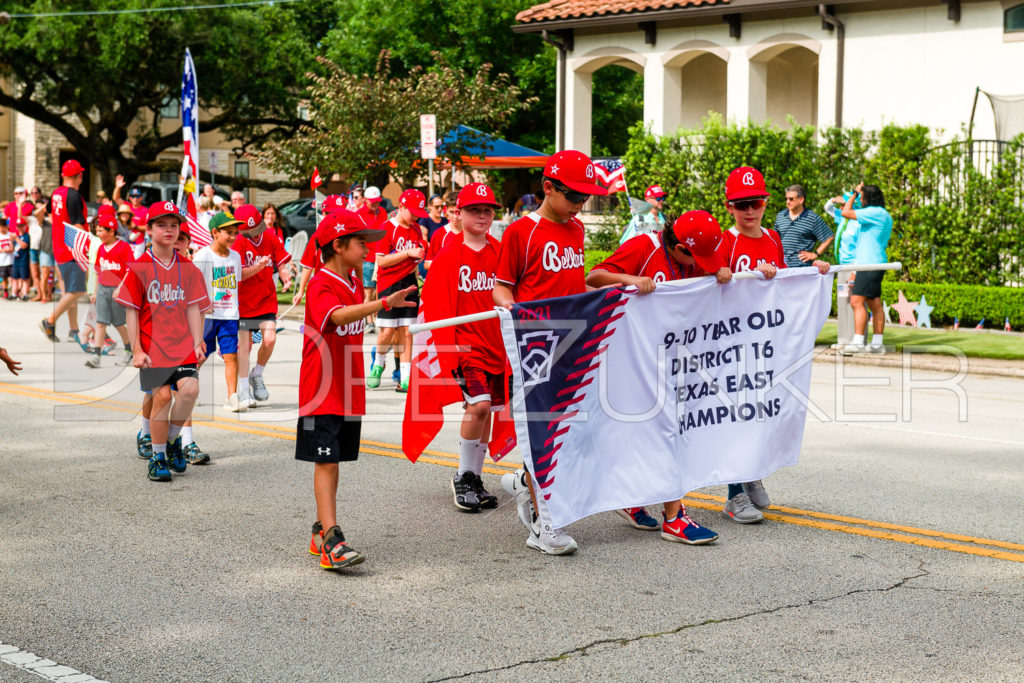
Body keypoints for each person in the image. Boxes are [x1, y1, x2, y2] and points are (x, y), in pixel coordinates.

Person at [587, 210, 731, 542]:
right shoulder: (643, 247)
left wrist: (721, 273)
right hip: (633, 355)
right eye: (696, 257)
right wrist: (629, 280)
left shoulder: (696, 253)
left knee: (654, 432)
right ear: (678, 245)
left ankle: (631, 498)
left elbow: (713, 280)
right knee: (662, 431)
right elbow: (593, 277)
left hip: (676, 358)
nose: (701, 264)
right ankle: (674, 518)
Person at [493, 149, 608, 555]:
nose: (580, 205)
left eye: (586, 198)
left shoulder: (575, 231)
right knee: (542, 433)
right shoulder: (520, 232)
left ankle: (525, 484)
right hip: (534, 352)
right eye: (575, 196)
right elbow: (502, 287)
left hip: (572, 346)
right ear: (548, 187)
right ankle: (545, 525)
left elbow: (574, 288)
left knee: (571, 433)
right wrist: (510, 309)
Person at [298, 210, 415, 570]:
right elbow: (336, 317)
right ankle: (333, 538)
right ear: (338, 245)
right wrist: (384, 304)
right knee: (326, 460)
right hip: (322, 389)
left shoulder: (350, 282)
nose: (367, 247)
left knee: (335, 460)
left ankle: (321, 529)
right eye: (360, 241)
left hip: (347, 388)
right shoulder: (323, 282)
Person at [715, 166, 830, 525]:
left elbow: (785, 284)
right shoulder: (725, 240)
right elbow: (707, 289)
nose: (750, 210)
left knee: (759, 413)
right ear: (729, 206)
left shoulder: (773, 238)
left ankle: (752, 472)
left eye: (757, 202)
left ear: (767, 203)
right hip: (730, 344)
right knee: (735, 416)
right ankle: (734, 495)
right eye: (742, 204)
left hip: (763, 344)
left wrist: (817, 270)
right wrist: (722, 275)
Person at [418, 183, 505, 511]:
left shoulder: (500, 251)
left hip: (497, 345)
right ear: (459, 213)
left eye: (488, 210)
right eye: (474, 210)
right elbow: (434, 305)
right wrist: (446, 352)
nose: (482, 216)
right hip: (466, 348)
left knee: (489, 414)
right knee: (479, 406)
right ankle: (463, 476)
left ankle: (476, 480)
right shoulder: (449, 255)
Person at [116, 202, 211, 482]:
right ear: (148, 230)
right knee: (162, 396)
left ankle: (171, 442)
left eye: (174, 225)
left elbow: (195, 307)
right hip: (152, 346)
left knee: (190, 390)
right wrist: (136, 348)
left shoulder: (188, 267)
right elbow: (131, 310)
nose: (169, 230)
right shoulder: (140, 267)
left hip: (182, 346)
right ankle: (157, 458)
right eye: (161, 225)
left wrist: (197, 342)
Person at [193, 212, 268, 412]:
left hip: (229, 315)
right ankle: (188, 386)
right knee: (201, 355)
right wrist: (201, 304)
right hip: (207, 316)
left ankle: (231, 397)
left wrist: (258, 268)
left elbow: (239, 275)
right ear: (215, 232)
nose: (233, 237)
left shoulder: (234, 256)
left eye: (235, 233)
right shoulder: (203, 256)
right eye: (229, 233)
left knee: (231, 356)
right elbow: (192, 284)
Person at [231, 204, 292, 408]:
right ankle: (242, 389)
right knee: (245, 346)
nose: (255, 235)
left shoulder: (270, 237)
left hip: (266, 298)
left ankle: (256, 375)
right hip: (244, 302)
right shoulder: (237, 242)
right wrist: (257, 267)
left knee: (270, 338)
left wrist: (286, 277)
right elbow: (237, 274)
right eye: (250, 232)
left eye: (257, 229)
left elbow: (281, 263)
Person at [367, 189, 428, 393]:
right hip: (388, 285)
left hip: (409, 283)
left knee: (406, 331)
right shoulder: (387, 228)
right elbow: (381, 260)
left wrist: (417, 256)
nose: (416, 216)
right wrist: (407, 253)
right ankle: (379, 363)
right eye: (413, 212)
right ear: (401, 207)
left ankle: (405, 375)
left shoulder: (417, 230)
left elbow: (415, 259)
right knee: (386, 332)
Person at [840, 183, 893, 355]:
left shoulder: (874, 212)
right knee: (874, 303)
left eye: (862, 197)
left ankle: (858, 342)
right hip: (873, 263)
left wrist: (853, 193)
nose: (860, 200)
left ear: (867, 198)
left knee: (856, 301)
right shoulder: (882, 214)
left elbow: (845, 212)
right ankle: (877, 344)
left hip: (870, 264)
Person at [40, 160, 89, 345]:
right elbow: (78, 225)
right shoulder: (74, 196)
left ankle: (74, 329)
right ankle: (50, 320)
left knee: (69, 291)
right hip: (72, 249)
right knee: (77, 291)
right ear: (79, 176)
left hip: (59, 247)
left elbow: (48, 213)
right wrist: (92, 244)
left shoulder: (56, 193)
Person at [84, 209, 134, 368]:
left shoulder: (123, 248)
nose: (98, 233)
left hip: (118, 290)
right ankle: (96, 356)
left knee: (118, 323)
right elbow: (98, 272)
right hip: (103, 290)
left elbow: (130, 270)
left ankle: (129, 349)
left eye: (101, 230)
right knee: (101, 322)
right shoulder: (101, 249)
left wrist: (120, 288)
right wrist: (95, 291)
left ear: (111, 231)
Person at [773, 184, 834, 268]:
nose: (787, 201)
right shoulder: (781, 216)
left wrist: (815, 254)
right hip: (781, 267)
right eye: (786, 199)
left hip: (801, 268)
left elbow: (829, 237)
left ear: (801, 199)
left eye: (791, 199)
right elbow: (774, 239)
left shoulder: (812, 218)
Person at [357, 186, 386, 333]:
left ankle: (376, 316)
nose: (375, 205)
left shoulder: (383, 212)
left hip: (381, 255)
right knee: (368, 290)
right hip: (367, 257)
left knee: (378, 289)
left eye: (377, 202)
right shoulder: (359, 215)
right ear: (365, 200)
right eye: (372, 202)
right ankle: (369, 321)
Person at [423, 190, 462, 271]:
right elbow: (427, 264)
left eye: (459, 212)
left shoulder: (472, 233)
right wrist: (446, 262)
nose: (455, 216)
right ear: (446, 210)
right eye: (452, 212)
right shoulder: (439, 234)